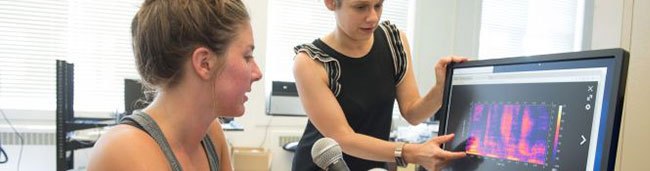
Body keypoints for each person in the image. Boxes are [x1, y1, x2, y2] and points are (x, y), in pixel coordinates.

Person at [291, 0, 469, 170]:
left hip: (373, 165)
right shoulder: (310, 62)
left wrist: (441, 89)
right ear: (330, 2)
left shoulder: (394, 42)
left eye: (378, 5)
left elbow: (412, 113)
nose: (373, 17)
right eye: (360, 7)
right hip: (325, 166)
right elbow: (343, 138)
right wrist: (412, 152)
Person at [88, 0, 262, 170]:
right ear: (204, 63)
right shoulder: (123, 150)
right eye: (247, 57)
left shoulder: (211, 134)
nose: (257, 73)